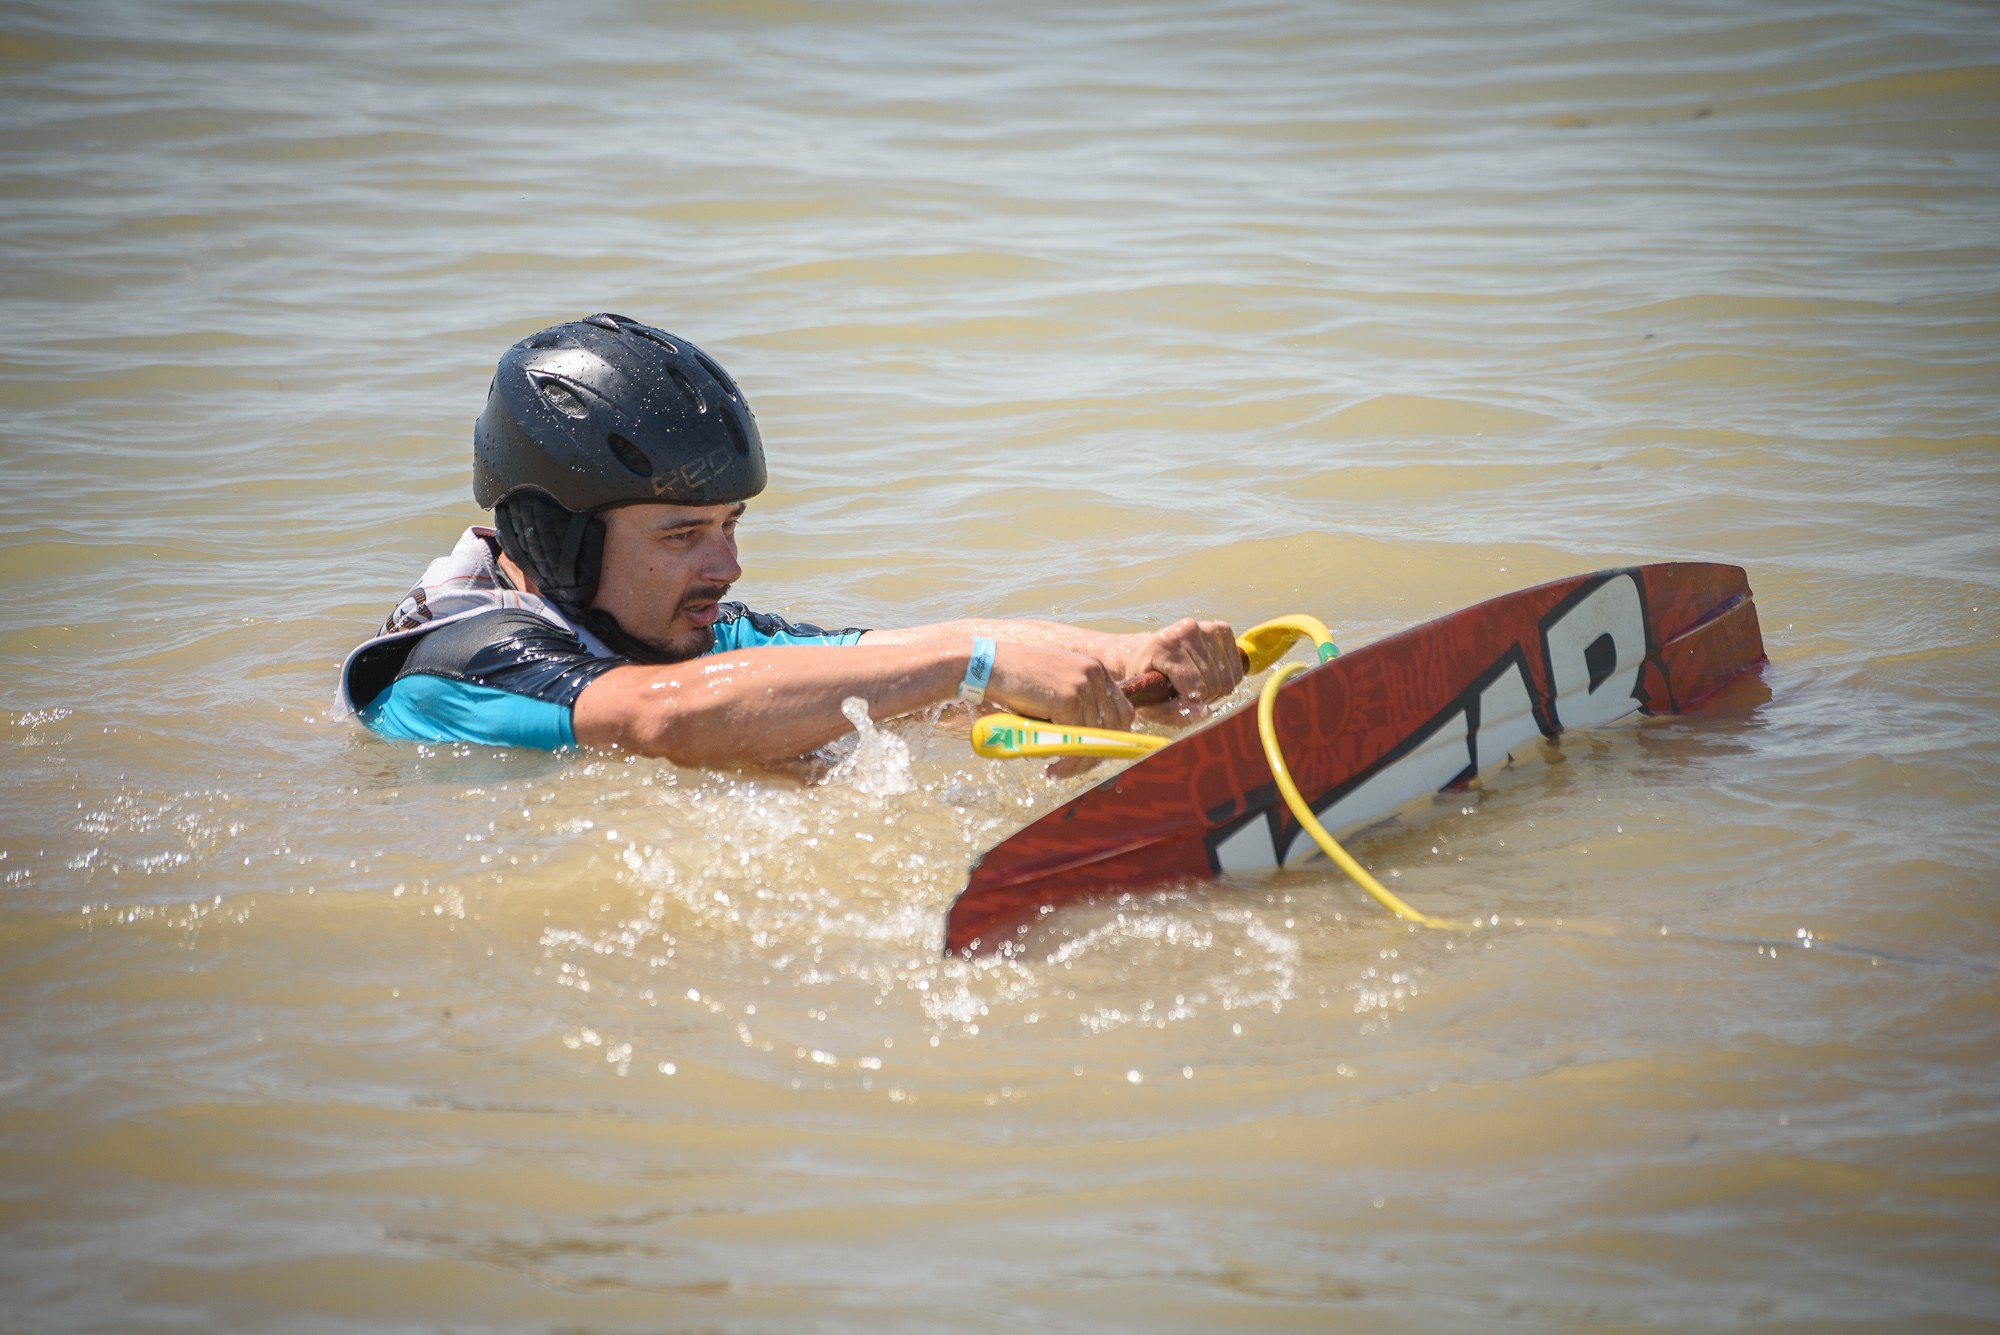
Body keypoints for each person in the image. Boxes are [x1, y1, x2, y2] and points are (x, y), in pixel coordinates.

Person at [337, 313, 1242, 766]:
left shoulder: (663, 624)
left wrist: (1126, 657)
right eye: (683, 533)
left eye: (730, 526)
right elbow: (662, 718)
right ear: (552, 536)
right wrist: (976, 667)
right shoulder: (462, 654)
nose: (726, 566)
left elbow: (887, 654)